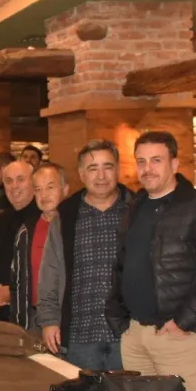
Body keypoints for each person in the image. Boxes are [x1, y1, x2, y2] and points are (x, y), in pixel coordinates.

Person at [107, 131, 196, 391]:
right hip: (136, 334)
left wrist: (183, 322)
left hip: (180, 338)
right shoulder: (135, 206)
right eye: (141, 161)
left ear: (175, 164)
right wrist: (121, 320)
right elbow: (122, 265)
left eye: (156, 160)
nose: (147, 168)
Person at [37, 141, 131, 370]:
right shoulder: (66, 216)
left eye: (108, 166)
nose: (101, 175)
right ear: (81, 174)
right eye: (93, 168)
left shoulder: (137, 210)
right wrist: (49, 320)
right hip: (80, 336)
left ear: (118, 170)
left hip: (129, 336)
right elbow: (50, 272)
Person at [0, 159, 39, 324]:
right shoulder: (1, 220)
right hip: (3, 314)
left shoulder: (43, 219)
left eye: (20, 179)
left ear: (33, 182)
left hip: (34, 315)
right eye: (8, 181)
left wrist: (13, 292)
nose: (14, 186)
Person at [17, 163, 69, 333]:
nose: (44, 195)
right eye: (38, 189)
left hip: (65, 316)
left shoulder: (74, 226)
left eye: (50, 187)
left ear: (65, 189)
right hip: (33, 318)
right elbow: (18, 278)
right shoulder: (27, 229)